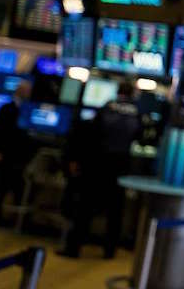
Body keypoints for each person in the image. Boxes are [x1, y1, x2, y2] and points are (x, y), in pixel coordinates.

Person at [59, 81, 140, 259]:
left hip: (98, 164)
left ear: (118, 91)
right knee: (115, 211)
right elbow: (140, 137)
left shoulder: (107, 107)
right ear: (133, 93)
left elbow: (91, 134)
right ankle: (109, 251)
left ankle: (74, 248)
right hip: (120, 166)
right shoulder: (137, 111)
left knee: (85, 208)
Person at [0, 81, 35, 226]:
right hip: (2, 154)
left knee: (4, 188)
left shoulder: (24, 110)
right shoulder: (7, 108)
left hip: (12, 156)